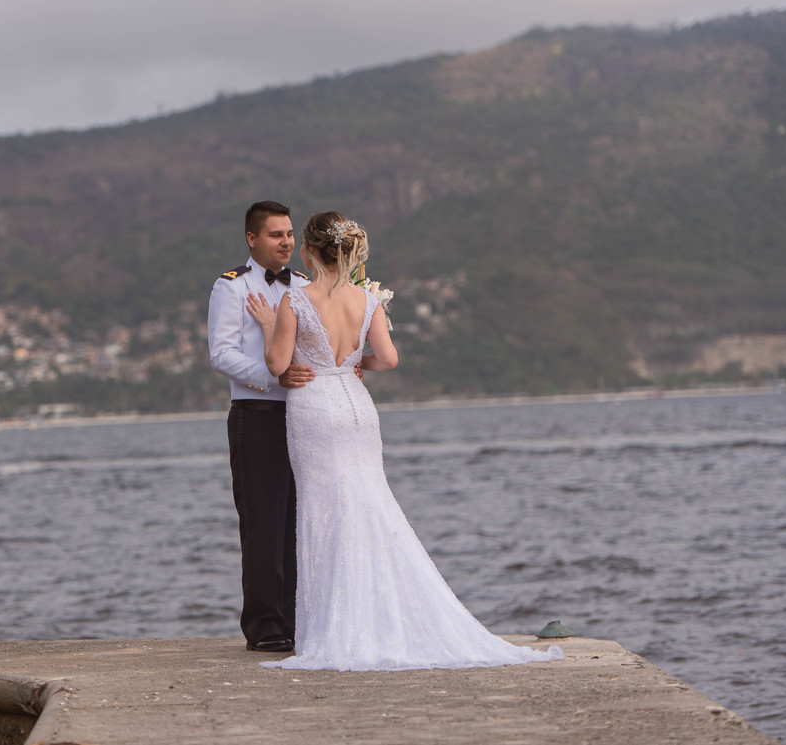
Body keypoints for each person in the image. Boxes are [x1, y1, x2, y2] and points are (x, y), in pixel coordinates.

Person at [246, 211, 564, 670]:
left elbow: (278, 364)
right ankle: (383, 618)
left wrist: (266, 326)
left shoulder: (295, 300)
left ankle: (333, 629)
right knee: (370, 504)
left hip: (314, 407)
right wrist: (356, 366)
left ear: (309, 251)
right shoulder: (367, 300)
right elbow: (389, 359)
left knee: (322, 513)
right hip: (357, 408)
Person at [207, 200, 313, 653]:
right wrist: (274, 376)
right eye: (276, 234)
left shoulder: (308, 287)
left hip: (306, 418)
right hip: (257, 417)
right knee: (263, 524)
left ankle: (298, 621)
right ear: (253, 239)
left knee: (299, 523)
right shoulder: (231, 288)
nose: (286, 241)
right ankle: (266, 627)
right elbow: (221, 354)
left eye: (289, 234)